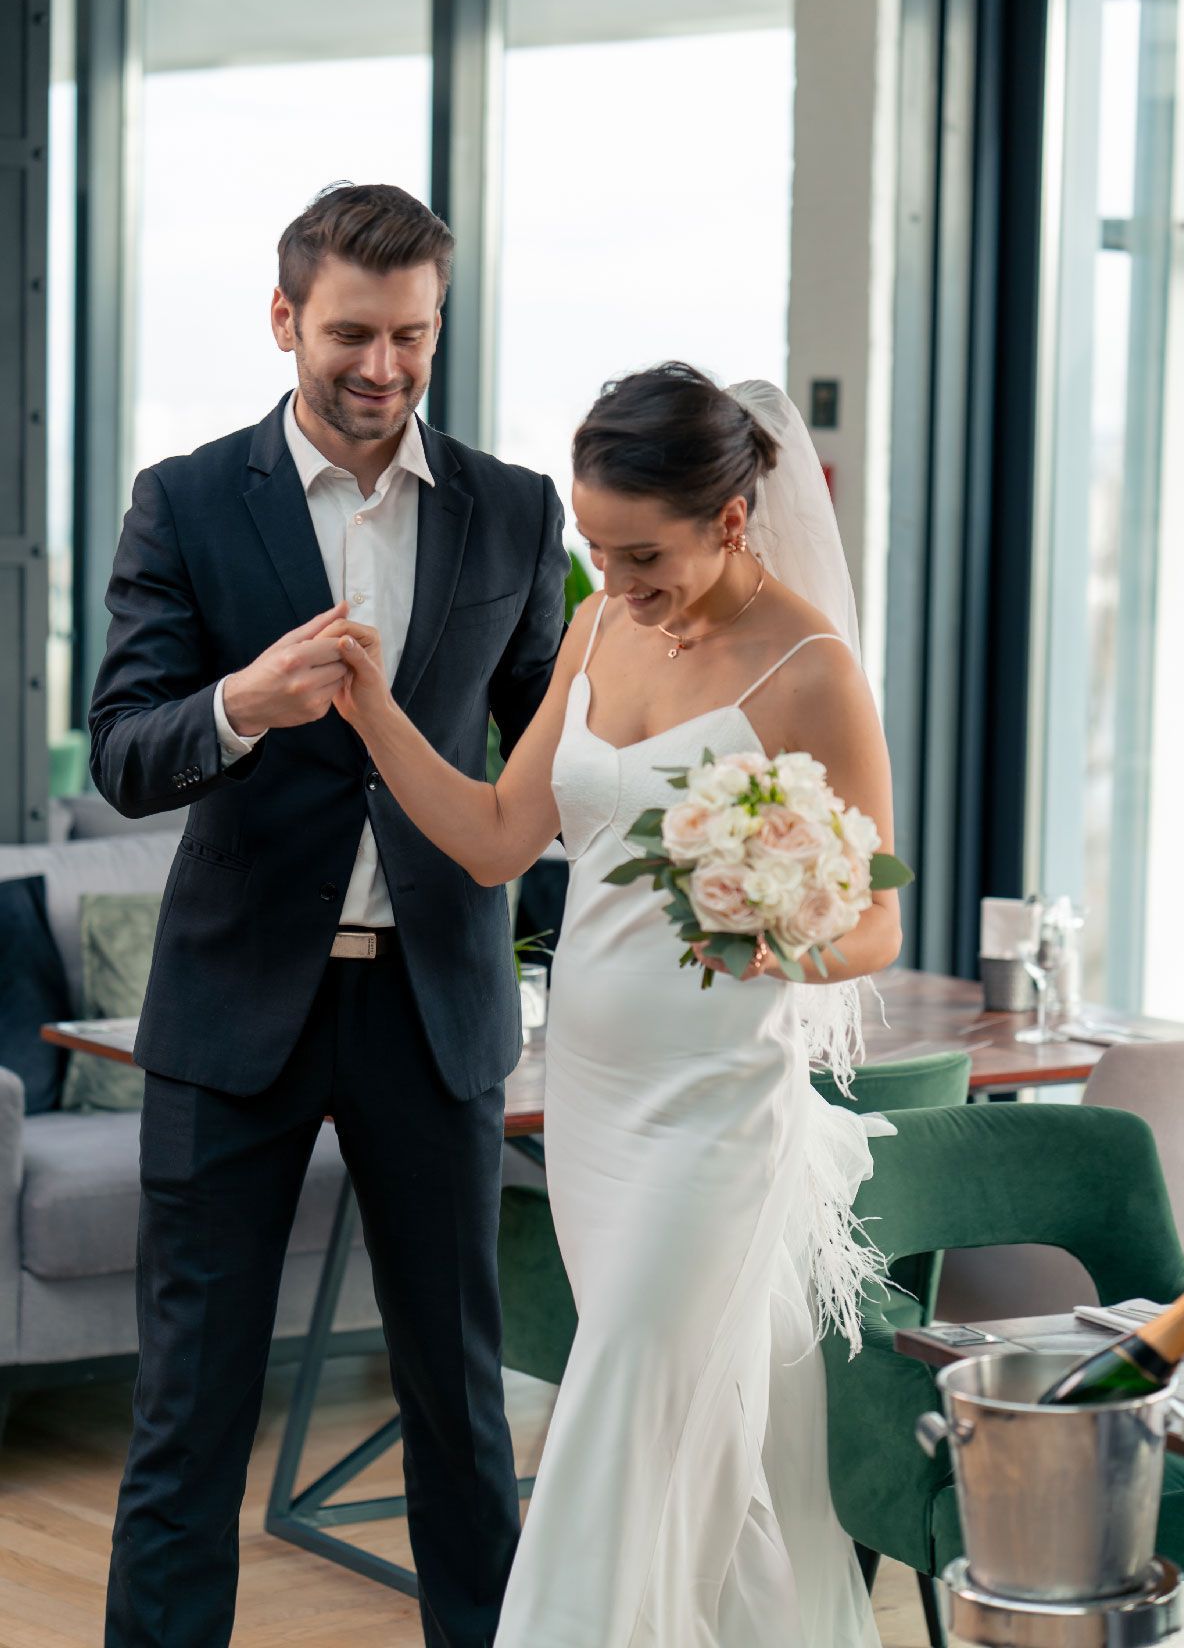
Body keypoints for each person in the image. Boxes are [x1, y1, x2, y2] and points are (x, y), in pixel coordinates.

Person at [328, 361, 902, 1645]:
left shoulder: (811, 670)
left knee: (611, 1418)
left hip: (716, 1111)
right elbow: (492, 837)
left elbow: (878, 918)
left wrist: (788, 947)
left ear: (733, 522)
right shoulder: (599, 629)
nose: (615, 581)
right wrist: (373, 717)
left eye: (642, 555)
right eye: (595, 549)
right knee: (687, 1444)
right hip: (594, 1097)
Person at [90, 181, 569, 1648]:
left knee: (460, 1409)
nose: (382, 367)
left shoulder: (515, 508)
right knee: (188, 1416)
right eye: (351, 333)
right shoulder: (184, 497)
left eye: (412, 336)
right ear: (285, 317)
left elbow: (552, 759)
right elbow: (120, 752)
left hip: (438, 1015)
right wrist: (241, 704)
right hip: (234, 1016)